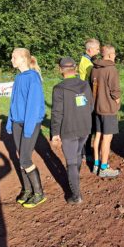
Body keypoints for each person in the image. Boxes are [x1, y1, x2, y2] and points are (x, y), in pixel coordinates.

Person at [6, 48, 46, 208]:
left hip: (30, 123)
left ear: (23, 59)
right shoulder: (18, 78)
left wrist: (28, 128)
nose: (11, 60)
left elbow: (34, 106)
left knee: (25, 158)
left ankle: (39, 193)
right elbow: (14, 102)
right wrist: (10, 122)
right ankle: (27, 190)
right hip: (17, 123)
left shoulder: (33, 78)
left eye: (14, 57)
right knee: (20, 156)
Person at [51, 57, 93, 204]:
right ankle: (75, 180)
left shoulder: (59, 88)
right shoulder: (85, 85)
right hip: (85, 128)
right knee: (76, 155)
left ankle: (76, 196)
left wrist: (55, 133)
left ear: (60, 69)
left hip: (68, 130)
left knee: (71, 163)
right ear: (75, 69)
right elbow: (90, 107)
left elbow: (57, 113)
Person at [91, 45, 121, 178]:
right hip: (108, 108)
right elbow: (115, 91)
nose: (115, 56)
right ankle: (103, 167)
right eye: (114, 54)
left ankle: (96, 164)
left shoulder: (94, 68)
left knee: (98, 135)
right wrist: (117, 101)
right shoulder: (111, 69)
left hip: (96, 107)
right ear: (109, 55)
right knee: (107, 138)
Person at [79, 38, 100, 160]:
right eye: (97, 49)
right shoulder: (87, 64)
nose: (98, 51)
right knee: (88, 125)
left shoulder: (85, 60)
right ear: (90, 49)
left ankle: (84, 150)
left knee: (87, 124)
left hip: (84, 95)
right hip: (86, 96)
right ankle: (85, 152)